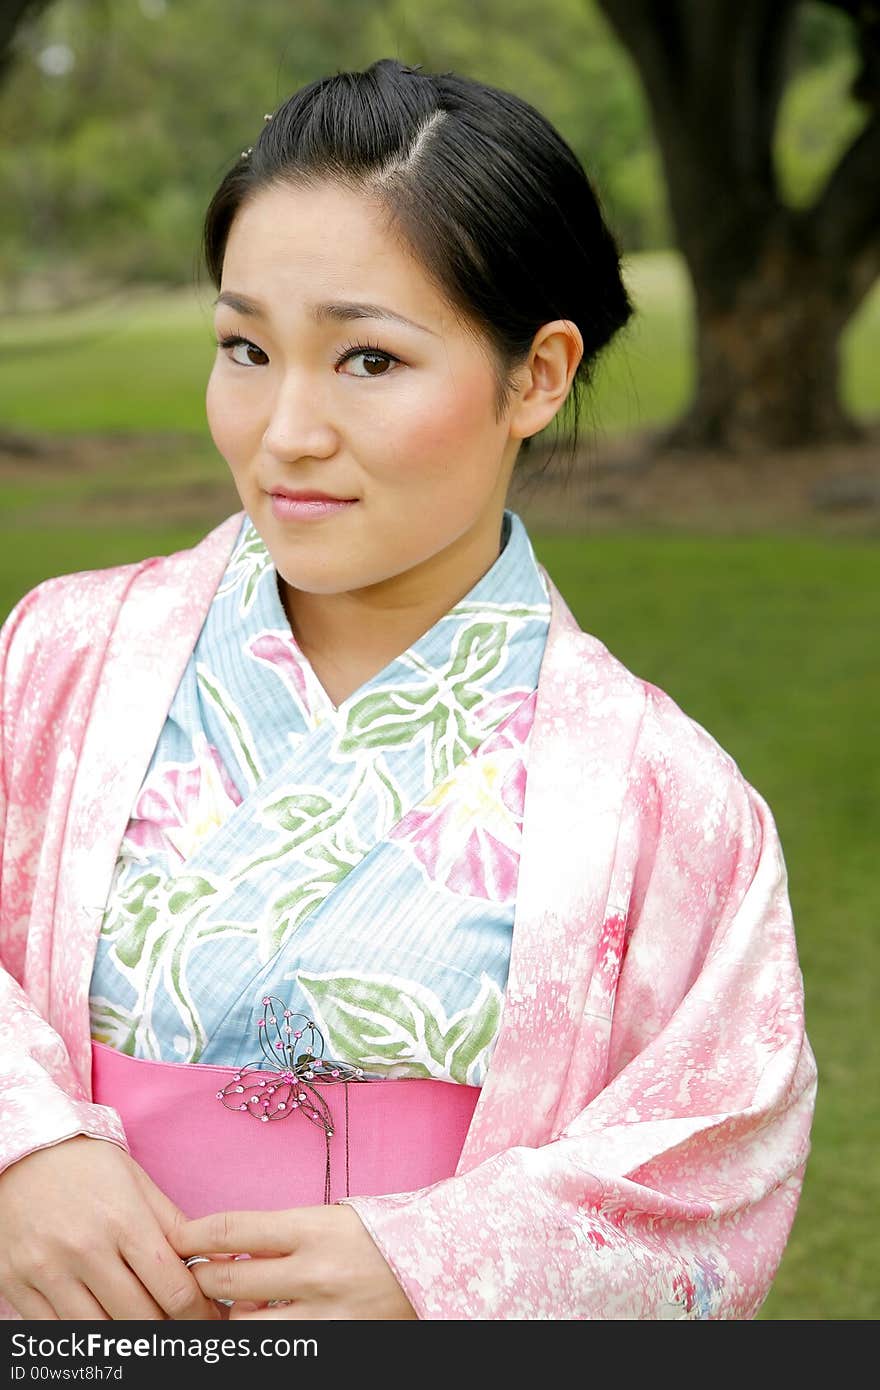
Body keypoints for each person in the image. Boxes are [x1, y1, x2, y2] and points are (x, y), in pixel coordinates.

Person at [0, 57, 816, 1322]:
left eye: (367, 360)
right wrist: (25, 1145)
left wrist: (442, 1266)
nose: (284, 431)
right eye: (244, 347)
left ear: (536, 376)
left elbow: (713, 1164)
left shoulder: (668, 793)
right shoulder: (58, 658)